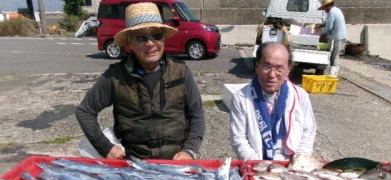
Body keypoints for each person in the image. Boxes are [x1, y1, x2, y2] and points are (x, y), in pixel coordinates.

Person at [76, 2, 204, 160]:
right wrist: (105, 148)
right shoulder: (115, 76)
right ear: (130, 42)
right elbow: (85, 111)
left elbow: (197, 114)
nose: (150, 43)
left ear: (163, 38)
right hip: (134, 162)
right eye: (142, 37)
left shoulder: (181, 71)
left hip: (176, 160)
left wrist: (189, 150)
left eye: (157, 36)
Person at [230, 42, 316, 161]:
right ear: (257, 67)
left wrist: (298, 162)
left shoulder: (300, 96)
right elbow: (239, 139)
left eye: (279, 68)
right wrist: (259, 166)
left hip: (292, 164)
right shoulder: (241, 98)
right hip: (257, 164)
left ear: (288, 70)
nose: (272, 74)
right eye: (266, 67)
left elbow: (308, 134)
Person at [316, 0, 347, 77]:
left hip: (338, 36)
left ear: (328, 6)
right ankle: (333, 73)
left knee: (334, 55)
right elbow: (328, 23)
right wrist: (321, 25)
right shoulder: (336, 10)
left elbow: (329, 26)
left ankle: (332, 74)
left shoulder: (332, 12)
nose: (325, 10)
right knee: (334, 54)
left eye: (324, 8)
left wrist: (322, 33)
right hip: (340, 36)